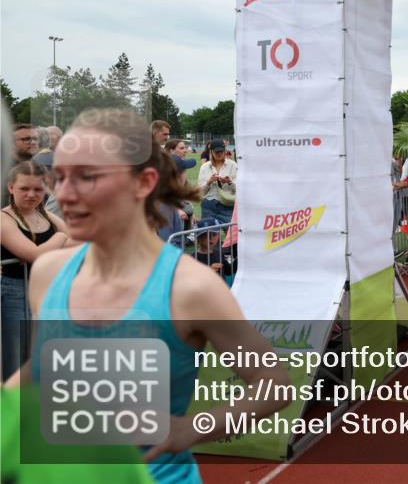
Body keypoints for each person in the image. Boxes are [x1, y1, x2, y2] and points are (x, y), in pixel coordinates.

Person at [4, 108, 290, 484]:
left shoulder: (192, 288)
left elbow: (274, 384)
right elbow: (42, 366)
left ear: (143, 182)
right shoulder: (47, 273)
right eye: (59, 178)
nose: (65, 195)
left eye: (87, 176)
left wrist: (191, 428)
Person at [0, 162, 73, 380]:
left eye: (38, 189)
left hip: (44, 291)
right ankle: (13, 408)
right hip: (14, 293)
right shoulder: (5, 219)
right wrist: (60, 239)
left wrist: (51, 245)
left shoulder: (46, 216)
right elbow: (34, 254)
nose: (32, 195)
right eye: (24, 188)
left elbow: (78, 241)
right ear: (11, 188)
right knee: (17, 355)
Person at [198, 139, 237, 224]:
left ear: (225, 150)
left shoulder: (233, 165)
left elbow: (239, 188)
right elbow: (200, 191)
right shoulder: (204, 167)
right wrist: (209, 182)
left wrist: (229, 182)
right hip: (209, 205)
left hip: (227, 204)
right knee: (209, 234)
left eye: (221, 151)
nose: (219, 154)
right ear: (211, 152)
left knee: (230, 233)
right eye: (216, 152)